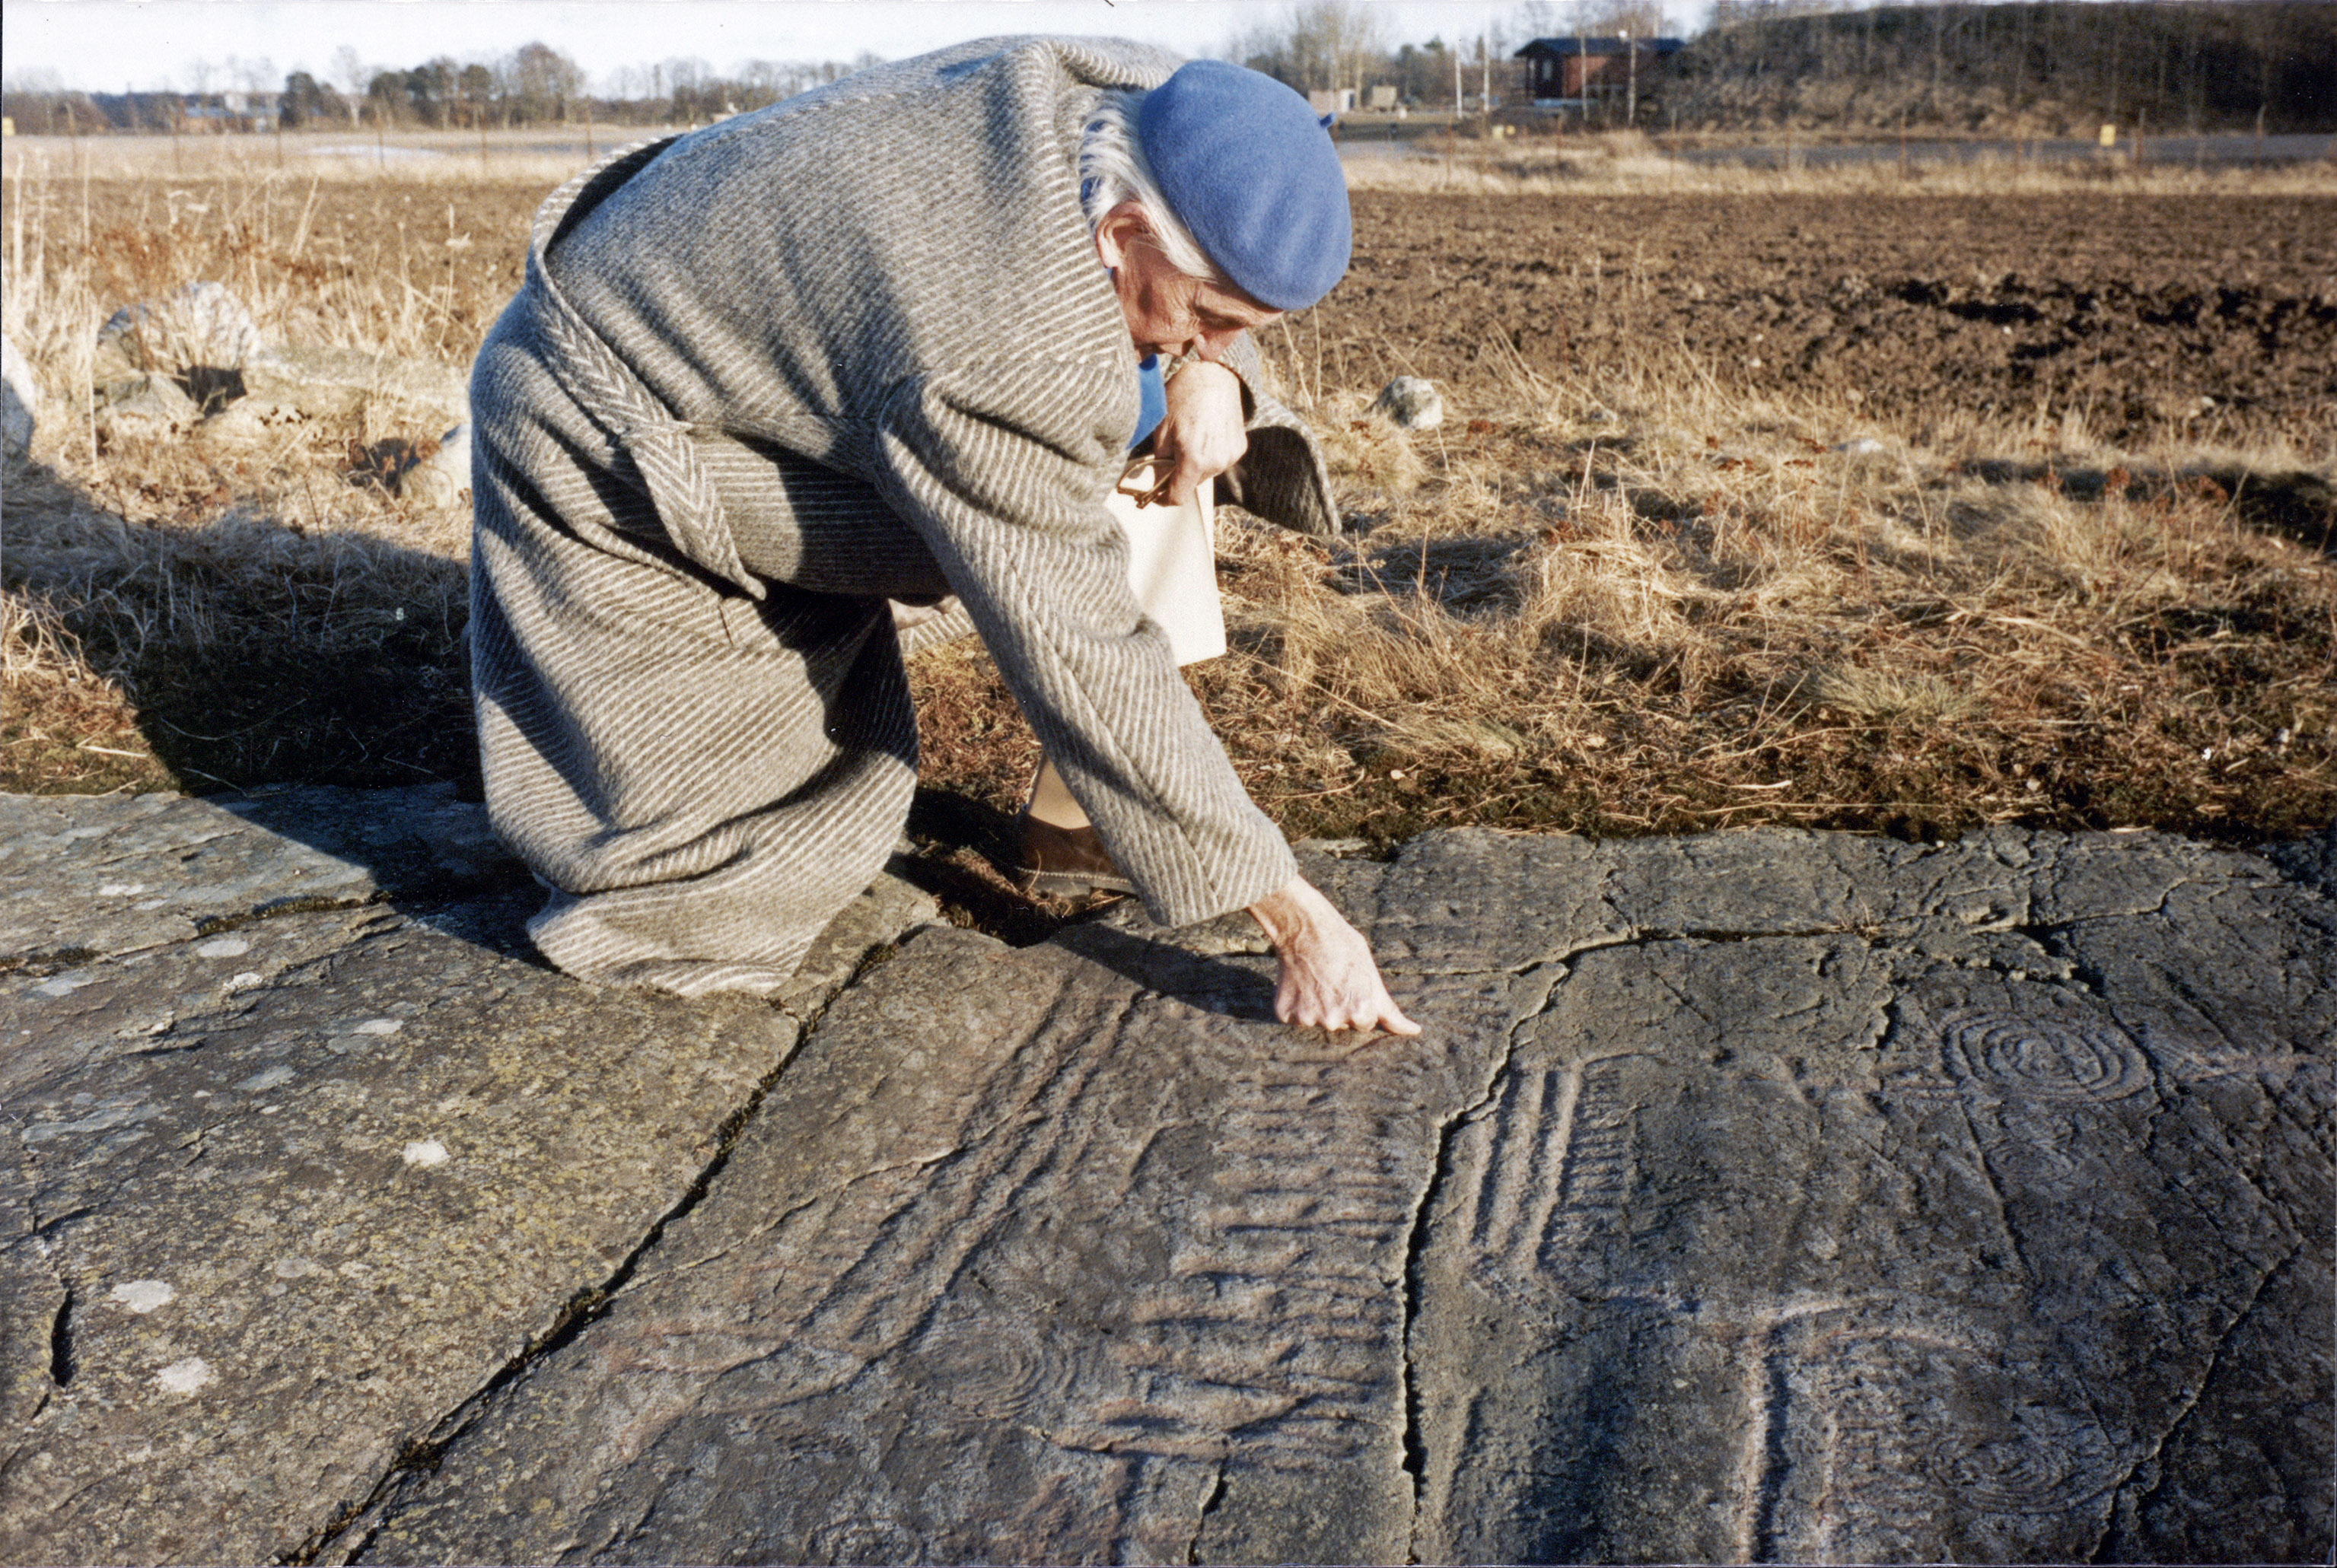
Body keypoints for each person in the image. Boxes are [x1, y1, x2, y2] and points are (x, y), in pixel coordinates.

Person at [467, 37, 1418, 1035]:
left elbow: (1199, 282)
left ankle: (1080, 815)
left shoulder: (1150, 105)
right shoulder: (1001, 342)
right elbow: (1080, 645)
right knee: (711, 891)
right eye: (1207, 316)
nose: (1207, 337)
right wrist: (1293, 912)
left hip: (757, 347)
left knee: (1131, 450)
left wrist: (1214, 373)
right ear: (1124, 229)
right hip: (601, 416)